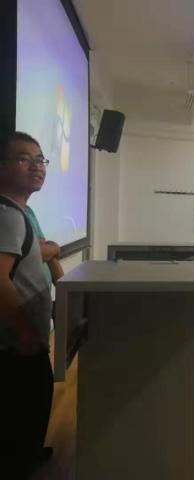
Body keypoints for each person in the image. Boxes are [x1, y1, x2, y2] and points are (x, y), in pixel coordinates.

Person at [0, 131, 54, 479]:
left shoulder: (20, 213)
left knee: (34, 405)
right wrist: (24, 331)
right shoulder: (7, 215)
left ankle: (30, 453)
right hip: (14, 346)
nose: (37, 166)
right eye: (24, 159)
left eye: (40, 159)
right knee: (21, 410)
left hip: (23, 341)